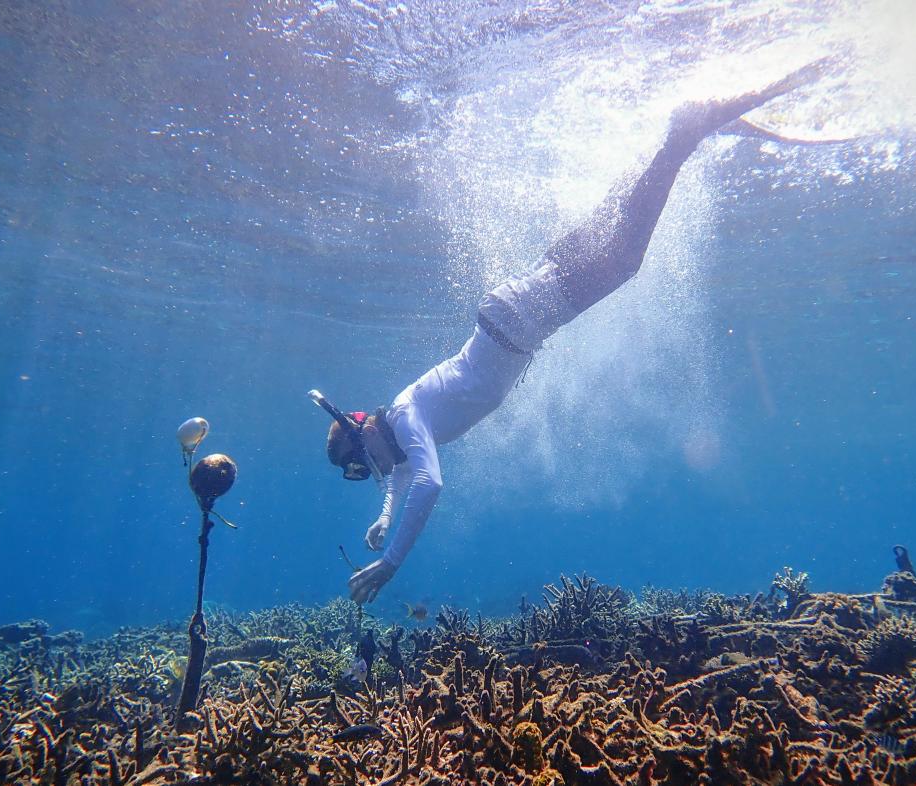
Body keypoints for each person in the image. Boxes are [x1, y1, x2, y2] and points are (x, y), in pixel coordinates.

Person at [311, 62, 826, 604]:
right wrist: (384, 518)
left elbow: (428, 481)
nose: (371, 472)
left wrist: (392, 561)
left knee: (624, 258)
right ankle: (677, 139)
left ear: (364, 430)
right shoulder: (398, 426)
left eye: (361, 465)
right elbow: (401, 473)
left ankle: (685, 134)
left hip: (523, 316)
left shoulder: (405, 418)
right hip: (516, 315)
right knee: (612, 224)